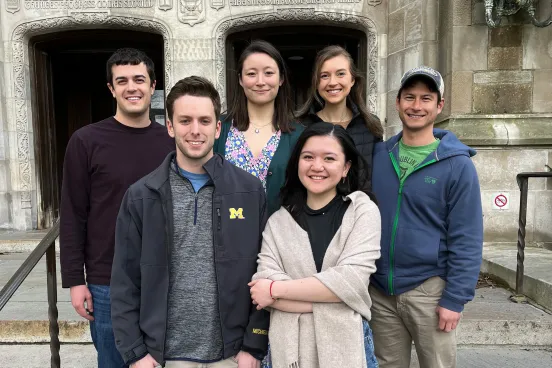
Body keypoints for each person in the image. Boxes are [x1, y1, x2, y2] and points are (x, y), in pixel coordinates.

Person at [110, 76, 269, 368]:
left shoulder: (249, 191)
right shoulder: (141, 195)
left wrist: (254, 346)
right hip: (164, 356)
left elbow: (266, 269)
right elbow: (124, 280)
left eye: (205, 121)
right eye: (185, 121)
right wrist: (136, 353)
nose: (195, 131)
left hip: (232, 355)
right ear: (170, 126)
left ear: (217, 127)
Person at [59, 47, 173, 368]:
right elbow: (72, 214)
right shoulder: (86, 141)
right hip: (106, 281)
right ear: (111, 89)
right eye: (121, 81)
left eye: (139, 79)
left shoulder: (172, 142)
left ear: (153, 86)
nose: (131, 87)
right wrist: (75, 280)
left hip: (165, 278)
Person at [370, 66, 483, 368]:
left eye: (426, 98)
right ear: (397, 102)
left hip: (429, 291)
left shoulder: (457, 166)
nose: (416, 106)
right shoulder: (379, 157)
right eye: (409, 97)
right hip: (381, 291)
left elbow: (467, 237)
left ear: (439, 105)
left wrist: (454, 299)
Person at [249, 122, 381, 368]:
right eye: (308, 157)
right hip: (289, 351)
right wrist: (340, 298)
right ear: (297, 162)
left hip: (347, 348)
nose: (317, 166)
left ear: (346, 167)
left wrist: (274, 290)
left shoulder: (361, 211)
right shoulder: (278, 222)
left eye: (329, 158)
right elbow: (261, 285)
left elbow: (353, 281)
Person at [214, 40, 304, 216]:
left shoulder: (298, 135)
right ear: (240, 79)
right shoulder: (219, 129)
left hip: (278, 238)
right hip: (227, 235)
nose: (260, 82)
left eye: (269, 73)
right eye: (251, 74)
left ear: (281, 79)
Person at [297, 45, 383, 190]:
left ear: (352, 80)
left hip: (359, 210)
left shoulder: (370, 125)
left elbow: (376, 179)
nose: (332, 82)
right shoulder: (301, 126)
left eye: (340, 74)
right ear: (316, 83)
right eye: (324, 76)